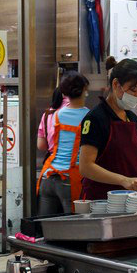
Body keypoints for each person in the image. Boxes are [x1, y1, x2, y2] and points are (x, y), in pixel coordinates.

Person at [79, 58, 137, 200]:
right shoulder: (95, 118)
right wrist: (123, 180)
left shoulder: (132, 118)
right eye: (133, 90)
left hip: (130, 200)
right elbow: (86, 167)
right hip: (100, 200)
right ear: (116, 84)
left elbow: (134, 165)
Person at [37, 72, 91, 215]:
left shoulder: (55, 115)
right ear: (84, 90)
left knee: (46, 226)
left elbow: (46, 145)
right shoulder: (89, 117)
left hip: (48, 176)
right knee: (72, 228)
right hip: (70, 178)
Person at [37, 86, 69, 157]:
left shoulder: (47, 114)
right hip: (73, 162)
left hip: (52, 162)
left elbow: (41, 145)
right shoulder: (75, 111)